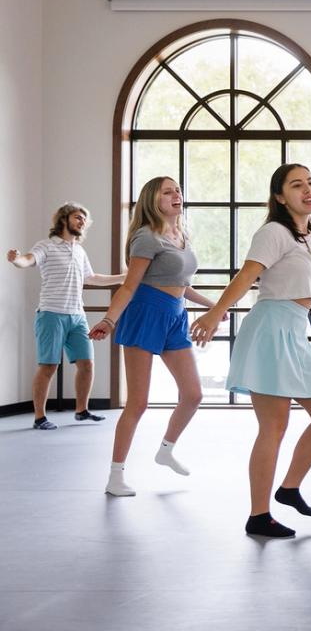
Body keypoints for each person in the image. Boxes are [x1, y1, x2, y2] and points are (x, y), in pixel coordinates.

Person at [191, 164, 311, 538]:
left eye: (310, 182)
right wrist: (214, 313)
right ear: (279, 196)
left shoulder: (310, 235)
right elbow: (246, 276)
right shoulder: (273, 232)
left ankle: (289, 487)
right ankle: (259, 514)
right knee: (273, 427)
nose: (308, 189)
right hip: (272, 329)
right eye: (296, 185)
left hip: (295, 330)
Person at [89, 177, 222, 497]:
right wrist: (109, 320)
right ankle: (115, 475)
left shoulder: (181, 236)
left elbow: (181, 284)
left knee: (193, 394)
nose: (176, 194)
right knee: (138, 402)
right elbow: (130, 285)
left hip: (175, 314)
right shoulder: (145, 237)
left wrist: (215, 306)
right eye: (167, 191)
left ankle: (166, 449)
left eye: (177, 189)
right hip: (145, 313)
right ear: (153, 200)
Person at [7, 203, 125, 429]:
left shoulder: (79, 250)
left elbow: (92, 278)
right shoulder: (47, 246)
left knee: (87, 364)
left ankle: (81, 411)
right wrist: (16, 260)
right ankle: (39, 418)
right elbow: (28, 260)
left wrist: (126, 279)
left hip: (77, 315)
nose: (82, 222)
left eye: (84, 220)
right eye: (78, 217)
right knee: (48, 366)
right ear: (64, 219)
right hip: (51, 313)